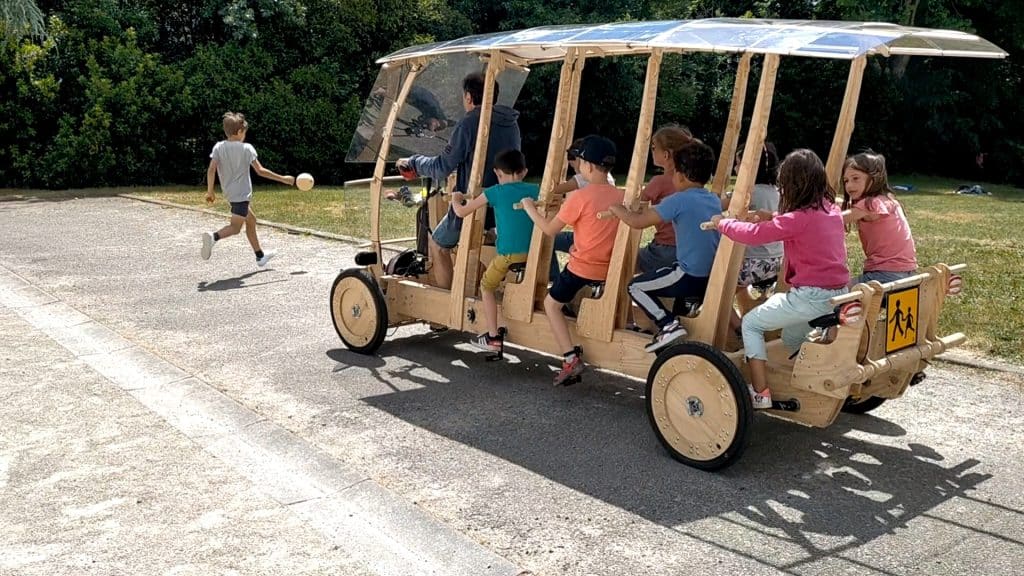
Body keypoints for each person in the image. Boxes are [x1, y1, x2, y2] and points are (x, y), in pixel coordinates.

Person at [710, 149, 849, 410]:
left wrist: (722, 223)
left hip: (809, 297)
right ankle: (805, 382)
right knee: (791, 340)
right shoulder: (831, 210)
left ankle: (760, 393)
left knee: (751, 324)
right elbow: (800, 224)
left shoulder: (798, 219)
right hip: (837, 294)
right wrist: (770, 215)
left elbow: (752, 235)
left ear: (791, 185)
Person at [397, 72, 522, 290]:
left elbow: (442, 166)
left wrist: (414, 162)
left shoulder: (470, 122)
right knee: (481, 240)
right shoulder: (510, 123)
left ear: (468, 97)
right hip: (501, 206)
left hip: (473, 205)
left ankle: (448, 305)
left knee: (438, 245)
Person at [521, 136, 623, 385]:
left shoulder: (579, 197)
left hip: (582, 269)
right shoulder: (622, 195)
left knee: (551, 304)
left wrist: (528, 208)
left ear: (586, 165)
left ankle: (569, 357)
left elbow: (549, 229)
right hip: (610, 269)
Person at [609, 139, 721, 353]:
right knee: (656, 280)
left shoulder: (678, 200)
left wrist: (617, 210)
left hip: (688, 274)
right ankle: (671, 331)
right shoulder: (713, 199)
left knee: (635, 286)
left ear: (679, 176)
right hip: (708, 276)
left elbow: (637, 222)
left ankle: (667, 325)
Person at [449, 149, 539, 351]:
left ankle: (492, 337)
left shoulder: (494, 192)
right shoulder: (535, 190)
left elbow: (463, 212)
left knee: (487, 286)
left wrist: (455, 199)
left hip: (507, 255)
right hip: (532, 254)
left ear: (498, 173)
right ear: (523, 172)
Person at [201, 112, 296, 266]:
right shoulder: (247, 148)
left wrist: (210, 191)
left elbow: (211, 169)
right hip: (241, 195)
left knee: (251, 220)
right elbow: (260, 170)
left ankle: (260, 256)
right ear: (239, 132)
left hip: (230, 193)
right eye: (244, 132)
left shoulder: (218, 147)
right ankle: (213, 237)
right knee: (235, 228)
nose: (245, 135)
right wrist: (283, 179)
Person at [721, 142, 784, 334]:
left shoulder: (746, 195)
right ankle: (755, 321)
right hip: (776, 263)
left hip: (752, 264)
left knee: (716, 290)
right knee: (738, 287)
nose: (735, 168)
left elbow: (717, 205)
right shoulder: (777, 192)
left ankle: (740, 330)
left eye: (738, 164)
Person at [841, 151, 918, 284]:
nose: (849, 185)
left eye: (855, 178)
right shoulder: (887, 200)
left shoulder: (870, 204)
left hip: (885, 275)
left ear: (874, 179)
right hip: (907, 272)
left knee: (837, 296)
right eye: (846, 180)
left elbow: (836, 219)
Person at [548, 137, 617, 281]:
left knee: (549, 240)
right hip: (605, 241)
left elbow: (553, 190)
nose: (576, 171)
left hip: (588, 244)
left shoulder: (581, 180)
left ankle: (554, 278)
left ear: (585, 163)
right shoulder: (608, 179)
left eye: (575, 167)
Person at [636, 124, 694, 274]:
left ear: (666, 155)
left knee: (625, 261)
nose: (652, 152)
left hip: (665, 248)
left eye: (654, 148)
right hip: (688, 249)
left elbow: (636, 203)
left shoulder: (659, 181)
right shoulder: (692, 181)